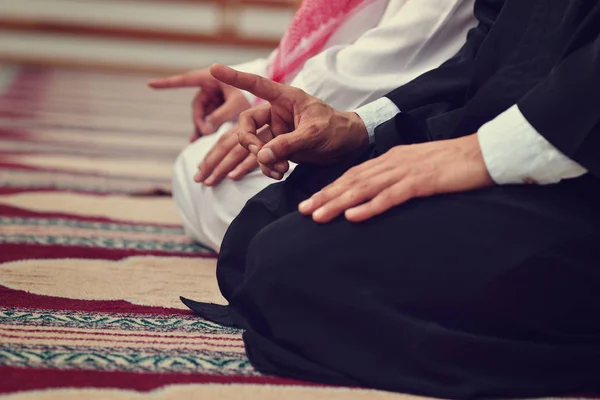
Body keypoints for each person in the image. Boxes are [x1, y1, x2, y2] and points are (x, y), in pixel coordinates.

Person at [181, 0, 600, 398]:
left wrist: (483, 153)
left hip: (579, 164)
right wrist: (358, 124)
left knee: (291, 266)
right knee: (256, 232)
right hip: (507, 129)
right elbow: (492, 51)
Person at [149, 0, 476, 251]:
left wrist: (276, 106)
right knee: (204, 174)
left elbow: (394, 60)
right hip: (361, 110)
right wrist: (256, 85)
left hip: (423, 126)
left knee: (217, 186)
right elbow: (356, 35)